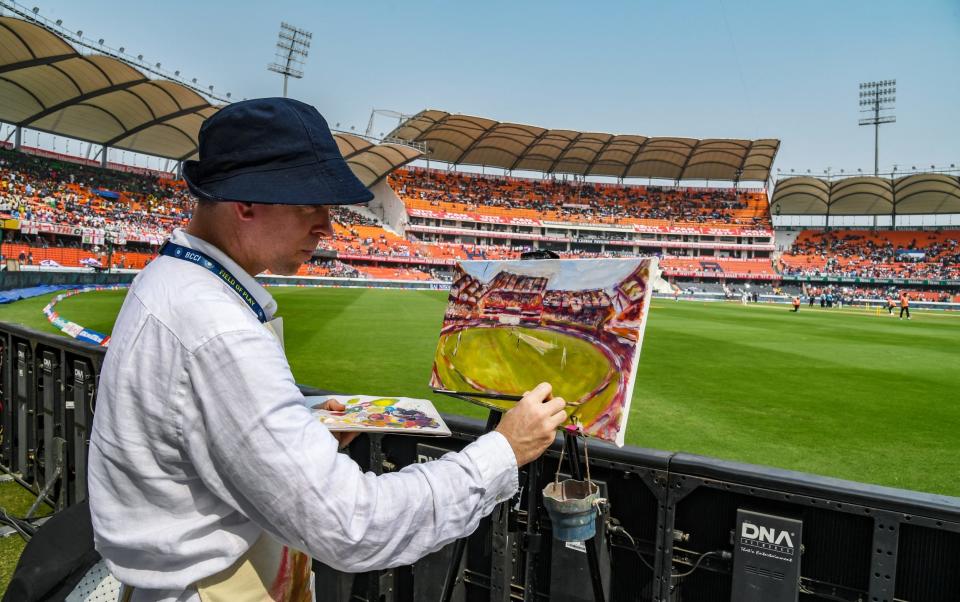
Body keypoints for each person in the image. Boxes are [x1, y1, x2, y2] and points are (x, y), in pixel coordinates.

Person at [87, 98, 569, 602]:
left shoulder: (171, 280)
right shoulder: (220, 330)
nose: (328, 226)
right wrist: (502, 452)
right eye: (308, 205)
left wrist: (298, 436)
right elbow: (353, 525)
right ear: (246, 203)